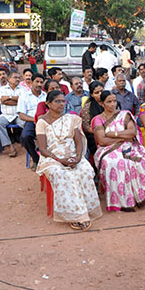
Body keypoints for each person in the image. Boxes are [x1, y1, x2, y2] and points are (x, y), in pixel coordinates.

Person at [35, 90, 102, 230]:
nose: (61, 104)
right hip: (52, 157)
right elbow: (43, 149)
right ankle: (75, 216)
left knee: (85, 170)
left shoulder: (71, 119)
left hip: (72, 155)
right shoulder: (42, 122)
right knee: (62, 174)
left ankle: (86, 209)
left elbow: (78, 142)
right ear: (48, 103)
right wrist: (59, 160)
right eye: (57, 101)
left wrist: (78, 157)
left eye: (62, 101)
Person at [92, 90, 145, 211]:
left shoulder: (124, 114)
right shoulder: (98, 119)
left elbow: (132, 132)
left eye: (114, 101)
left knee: (136, 161)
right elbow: (102, 141)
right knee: (113, 162)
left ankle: (135, 197)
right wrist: (123, 137)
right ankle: (118, 201)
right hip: (106, 149)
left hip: (128, 145)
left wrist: (114, 134)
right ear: (102, 103)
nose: (113, 104)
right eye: (109, 102)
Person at [19, 75, 48, 168]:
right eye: (37, 82)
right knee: (25, 136)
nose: (39, 84)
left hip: (46, 122)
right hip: (31, 121)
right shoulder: (24, 96)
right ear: (31, 82)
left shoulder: (46, 96)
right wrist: (35, 120)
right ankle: (36, 159)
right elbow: (21, 115)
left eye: (41, 82)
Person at [0, 72, 26, 157]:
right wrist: (17, 100)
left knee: (26, 124)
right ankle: (9, 146)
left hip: (19, 114)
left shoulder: (22, 89)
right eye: (15, 77)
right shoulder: (2, 89)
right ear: (9, 79)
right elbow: (2, 101)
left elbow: (23, 101)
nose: (17, 79)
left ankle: (29, 145)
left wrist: (8, 98)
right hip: (6, 115)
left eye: (19, 77)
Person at [79, 81, 106, 158]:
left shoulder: (110, 103)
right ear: (92, 94)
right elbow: (86, 127)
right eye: (97, 92)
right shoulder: (87, 108)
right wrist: (102, 132)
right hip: (94, 136)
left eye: (101, 91)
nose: (100, 94)